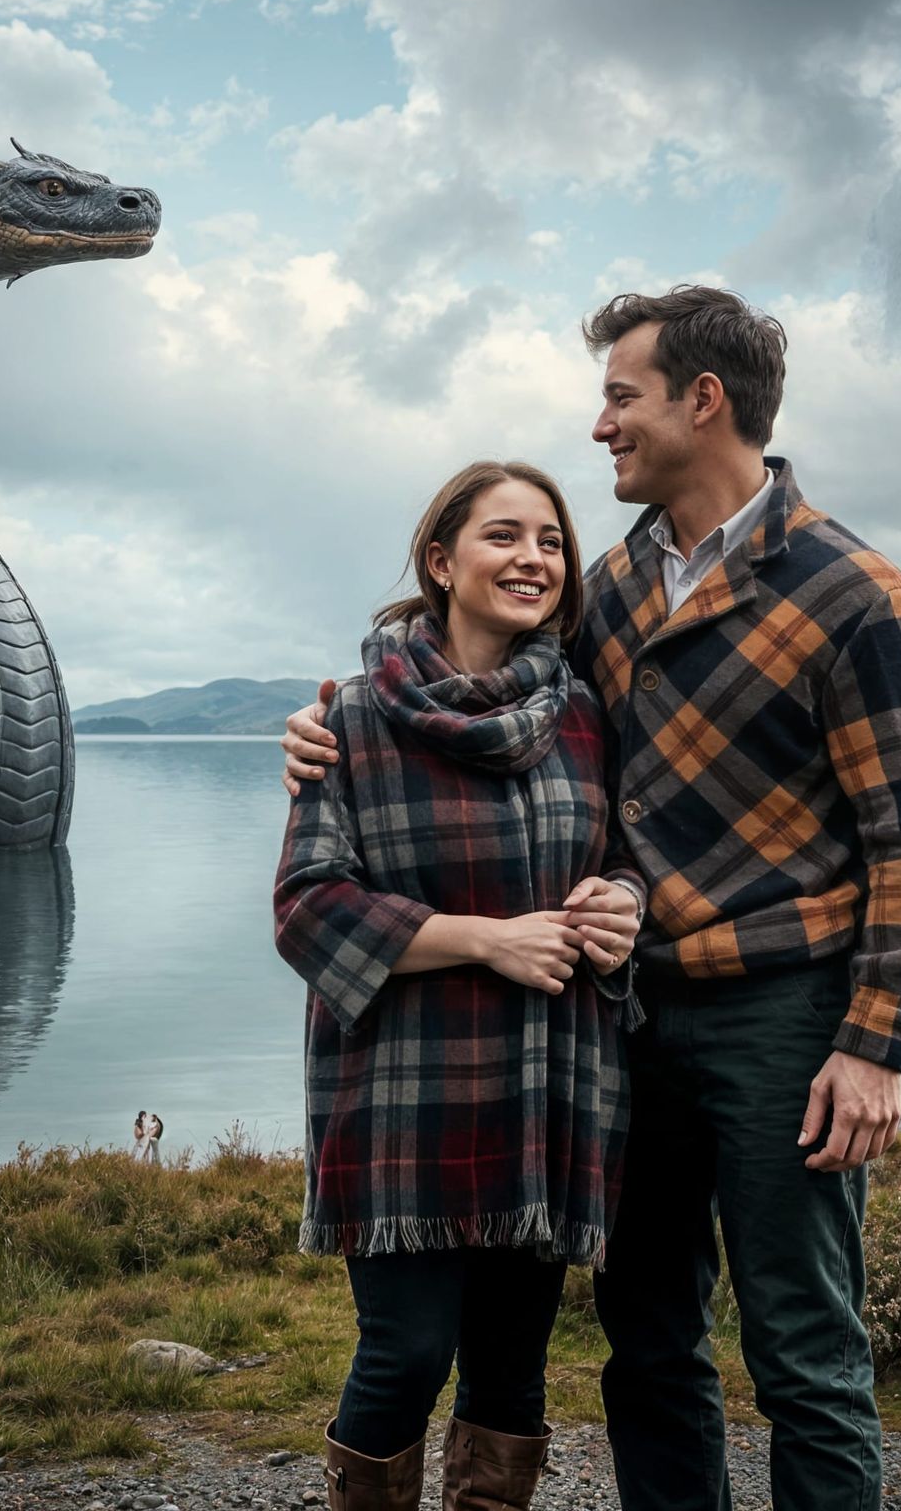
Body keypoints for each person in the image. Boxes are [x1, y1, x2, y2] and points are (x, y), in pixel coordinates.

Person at [282, 287, 901, 1511]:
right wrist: (326, 725)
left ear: (702, 401)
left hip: (782, 1015)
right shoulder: (609, 588)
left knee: (803, 1349)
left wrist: (877, 1043)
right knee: (648, 1342)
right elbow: (520, 713)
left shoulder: (853, 592)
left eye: (619, 397)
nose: (600, 425)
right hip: (628, 1024)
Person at [273, 461, 646, 1511]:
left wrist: (621, 903)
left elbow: (622, 858)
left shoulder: (585, 716)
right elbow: (306, 908)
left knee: (512, 1369)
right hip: (406, 1098)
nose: (533, 559)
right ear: (441, 562)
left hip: (547, 1087)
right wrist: (487, 941)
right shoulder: (349, 719)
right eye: (503, 536)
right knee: (405, 1352)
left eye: (551, 541)